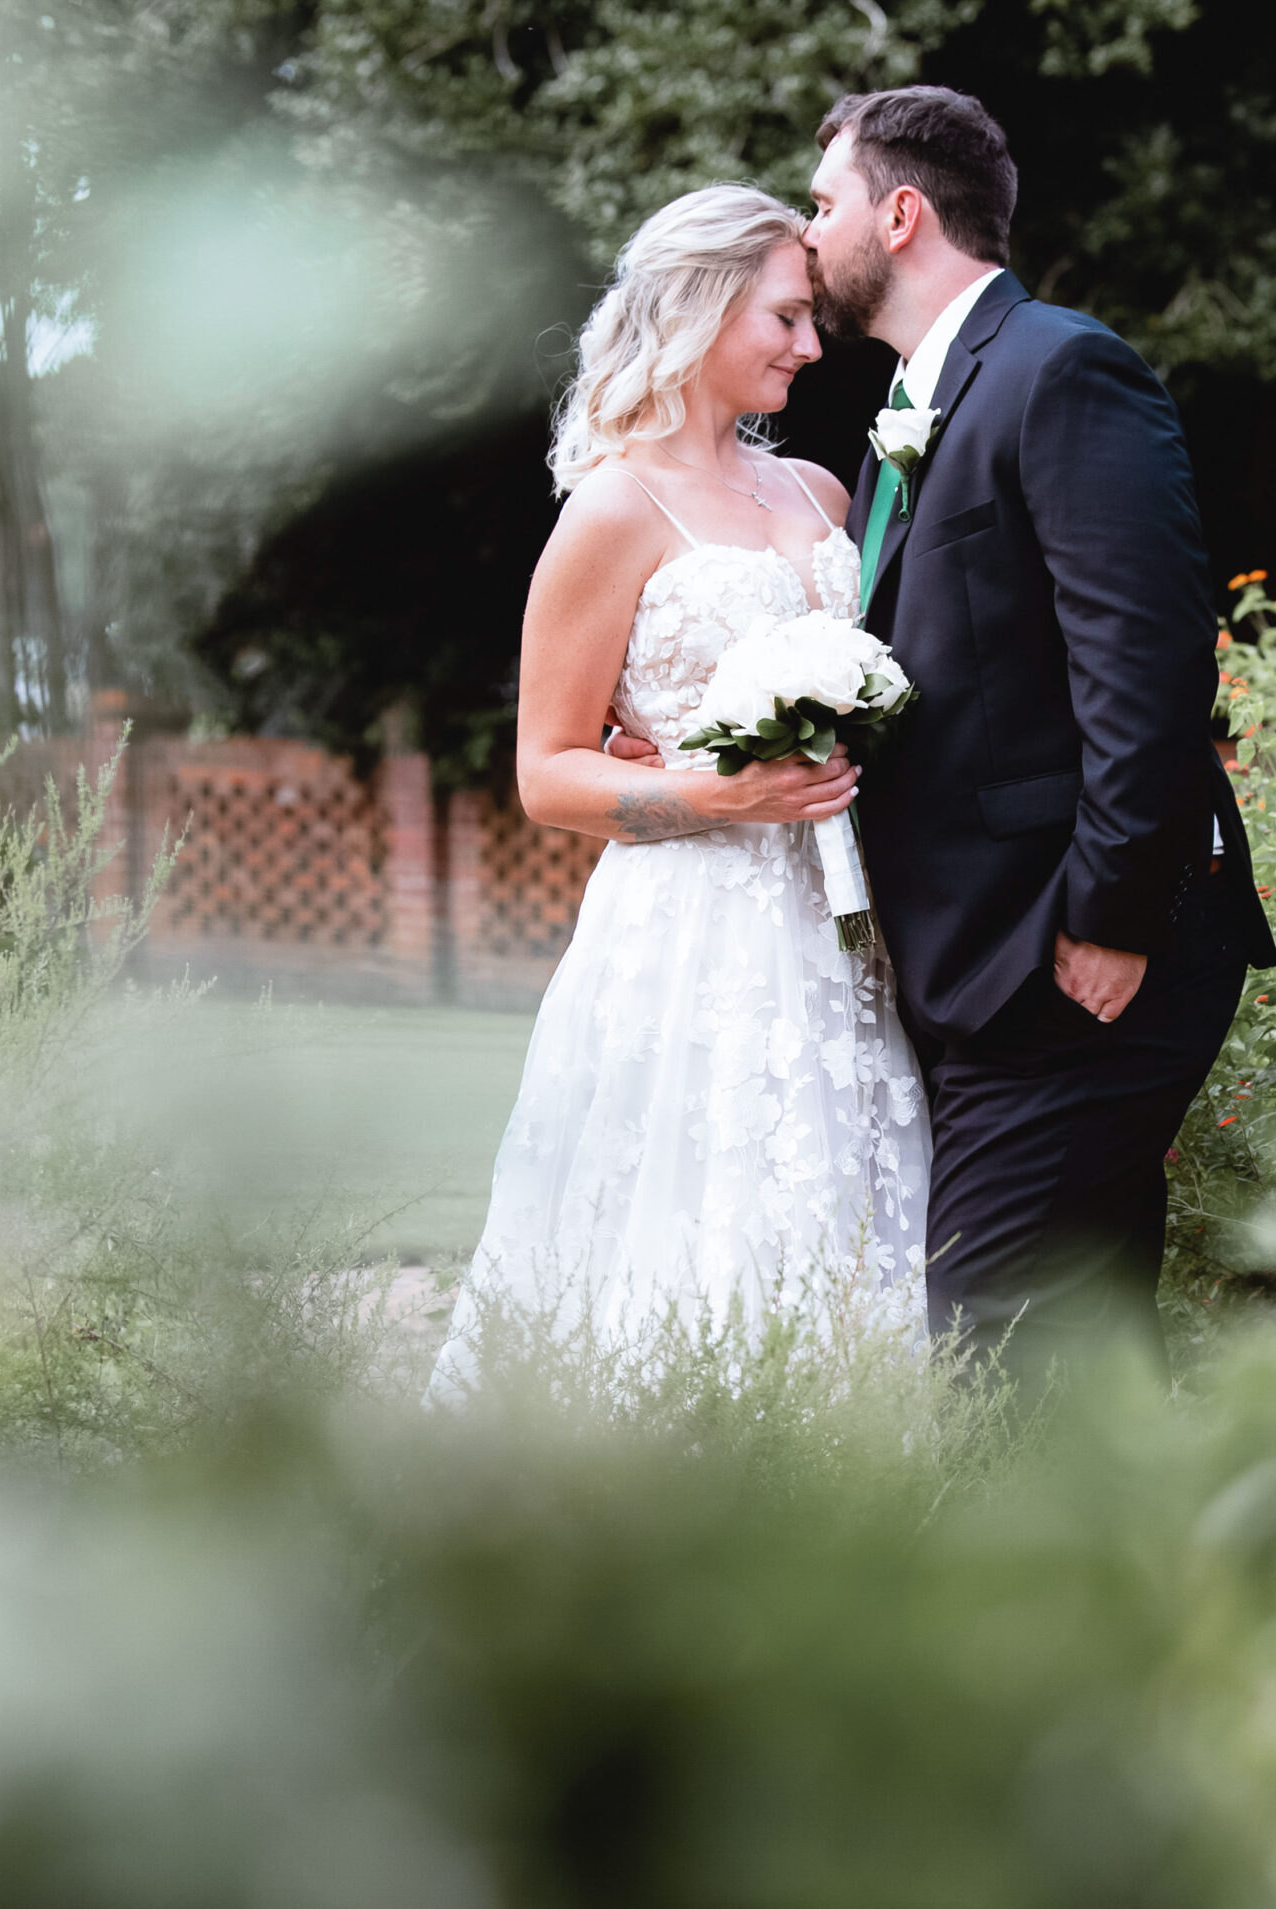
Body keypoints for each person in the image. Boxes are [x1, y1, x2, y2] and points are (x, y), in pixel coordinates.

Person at [427, 184, 929, 1400]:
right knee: (698, 1238)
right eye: (786, 317)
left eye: (811, 319)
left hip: (849, 924)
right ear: (701, 308)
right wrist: (716, 799)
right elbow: (547, 774)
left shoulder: (818, 493)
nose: (812, 346)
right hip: (692, 939)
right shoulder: (612, 510)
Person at [806, 87, 1276, 1369]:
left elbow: (1150, 663)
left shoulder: (1059, 368)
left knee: (983, 1342)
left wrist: (1110, 915)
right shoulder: (912, 409)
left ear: (900, 215)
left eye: (824, 203)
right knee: (1075, 1353)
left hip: (1074, 960)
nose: (809, 237)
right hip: (978, 966)